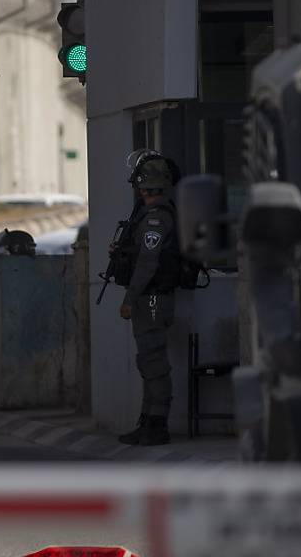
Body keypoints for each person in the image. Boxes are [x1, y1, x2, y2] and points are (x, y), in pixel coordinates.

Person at [115, 149, 181, 447]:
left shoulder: (157, 218)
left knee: (154, 363)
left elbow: (148, 263)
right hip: (149, 298)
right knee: (147, 362)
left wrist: (129, 298)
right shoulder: (151, 215)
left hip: (151, 298)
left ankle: (157, 424)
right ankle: (147, 422)